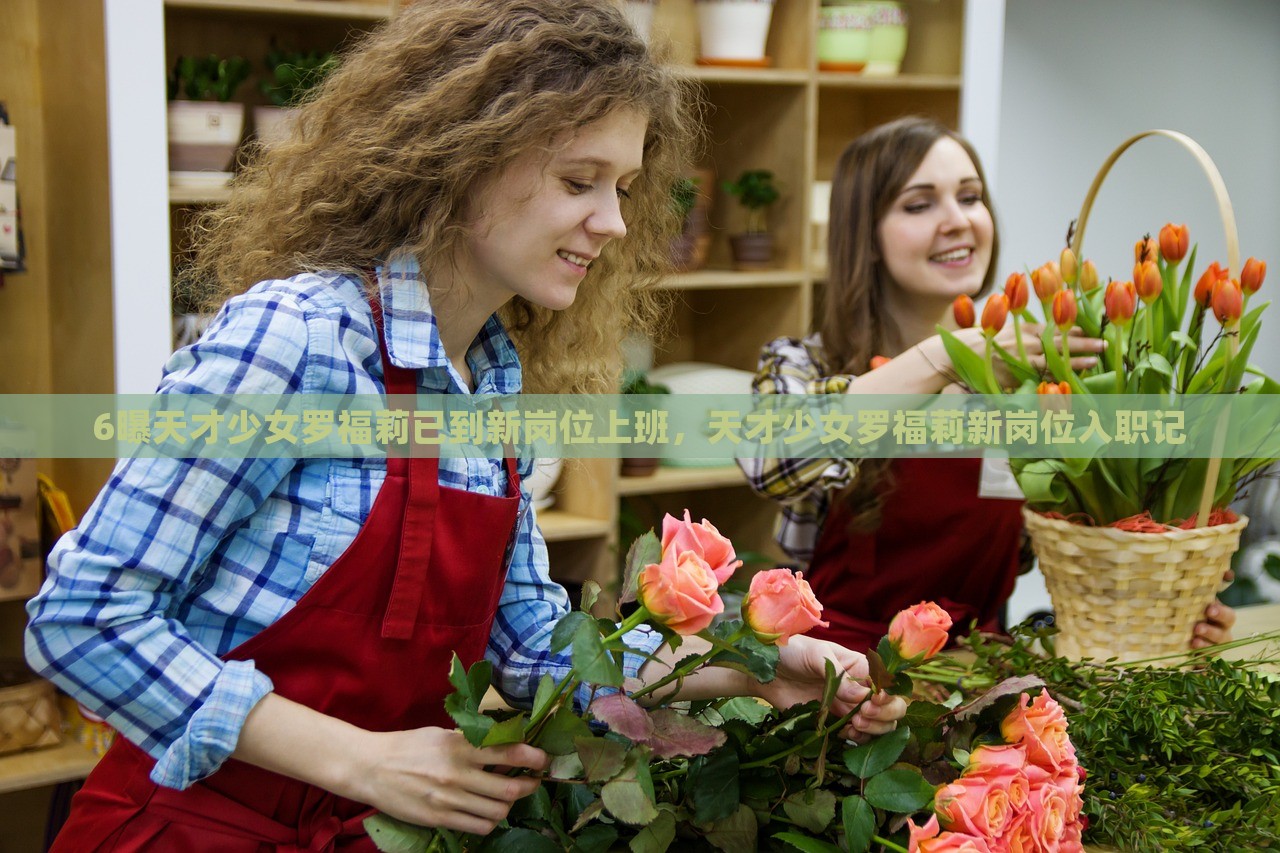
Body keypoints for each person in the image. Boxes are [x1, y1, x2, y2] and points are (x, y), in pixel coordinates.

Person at [26, 3, 904, 850]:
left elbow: (533, 651)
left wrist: (750, 668)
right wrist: (363, 759)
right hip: (187, 831)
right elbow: (81, 620)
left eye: (626, 186)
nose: (616, 222)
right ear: (465, 155)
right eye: (578, 180)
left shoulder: (490, 388)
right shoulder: (295, 339)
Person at [738, 116, 1236, 654]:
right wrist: (948, 359)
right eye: (919, 204)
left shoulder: (1037, 379)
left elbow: (1087, 549)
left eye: (970, 197)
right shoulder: (803, 364)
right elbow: (773, 459)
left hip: (979, 682)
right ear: (867, 237)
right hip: (836, 678)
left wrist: (1167, 599)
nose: (957, 221)